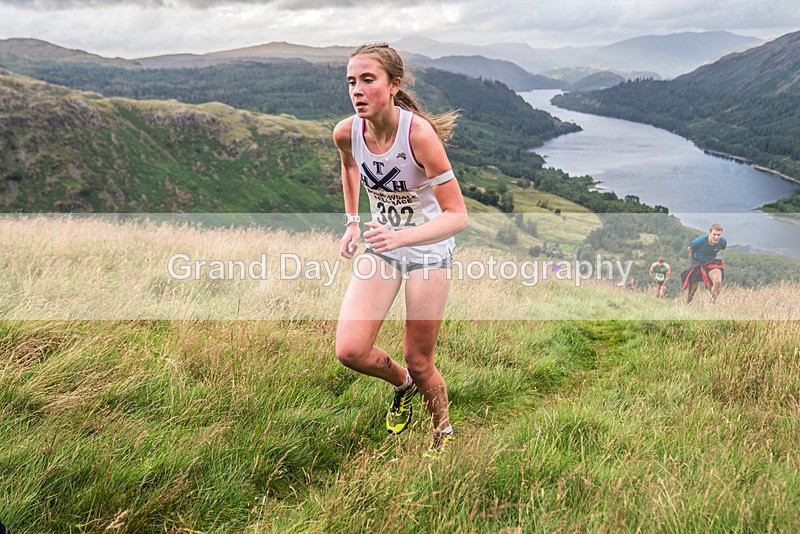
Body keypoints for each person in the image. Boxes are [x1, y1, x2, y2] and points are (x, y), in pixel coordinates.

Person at [332, 43, 468, 456]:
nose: (357, 90)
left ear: (394, 85)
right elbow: (350, 166)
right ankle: (401, 386)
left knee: (420, 360)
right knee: (350, 350)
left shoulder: (418, 135)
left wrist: (403, 237)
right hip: (383, 248)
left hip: (428, 252)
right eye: (352, 82)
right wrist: (353, 222)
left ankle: (442, 434)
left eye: (368, 80)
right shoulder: (346, 131)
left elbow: (457, 215)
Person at [681, 223, 726, 304]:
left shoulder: (722, 242)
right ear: (709, 233)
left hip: (711, 262)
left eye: (718, 235)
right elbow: (690, 248)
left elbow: (721, 250)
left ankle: (712, 303)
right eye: (714, 234)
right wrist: (694, 258)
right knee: (693, 289)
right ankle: (687, 304)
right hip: (697, 262)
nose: (716, 237)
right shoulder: (701, 240)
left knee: (718, 281)